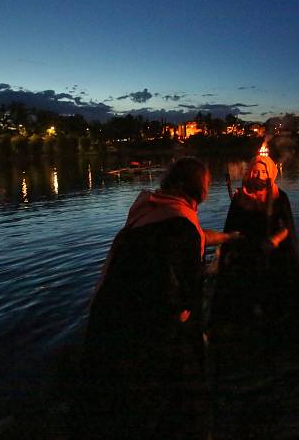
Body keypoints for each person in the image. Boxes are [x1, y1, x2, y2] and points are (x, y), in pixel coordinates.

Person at [78, 157, 235, 439]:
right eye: (207, 184)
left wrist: (225, 237)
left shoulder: (152, 208)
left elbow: (196, 236)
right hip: (145, 330)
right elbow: (180, 294)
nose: (209, 191)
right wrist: (188, 319)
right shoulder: (179, 225)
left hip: (109, 314)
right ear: (194, 188)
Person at [208, 154, 299, 438]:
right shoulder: (239, 199)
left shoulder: (279, 197)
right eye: (255, 168)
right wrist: (230, 253)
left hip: (275, 264)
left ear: (271, 172)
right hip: (246, 263)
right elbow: (231, 231)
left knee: (276, 311)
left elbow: (286, 229)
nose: (258, 172)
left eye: (263, 168)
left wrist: (275, 242)